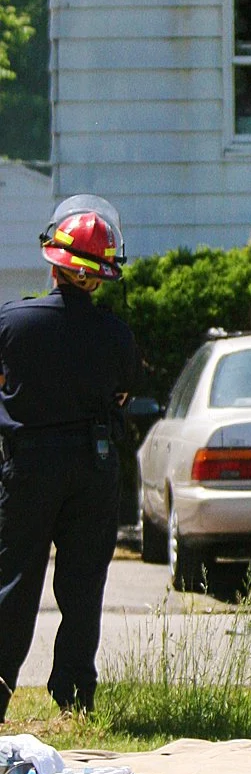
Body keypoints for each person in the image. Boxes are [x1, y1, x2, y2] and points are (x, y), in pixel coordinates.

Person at [0, 195, 139, 723]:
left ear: (54, 262)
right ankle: (75, 700)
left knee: (13, 582)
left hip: (27, 467)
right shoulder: (116, 335)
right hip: (93, 467)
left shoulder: (14, 323)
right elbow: (124, 394)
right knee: (82, 587)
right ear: (100, 275)